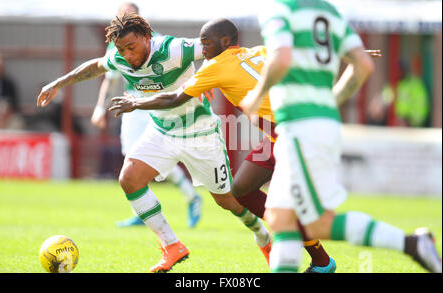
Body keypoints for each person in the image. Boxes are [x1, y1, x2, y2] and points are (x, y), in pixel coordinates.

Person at [37, 12, 271, 273]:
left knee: (228, 200)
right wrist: (58, 83)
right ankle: (172, 246)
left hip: (200, 133)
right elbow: (96, 66)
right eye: (121, 50)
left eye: (131, 47)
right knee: (130, 178)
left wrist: (206, 74)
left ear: (147, 38)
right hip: (162, 131)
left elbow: (213, 46)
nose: (126, 55)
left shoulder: (174, 49)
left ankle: (263, 237)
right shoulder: (119, 57)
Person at [109, 18, 342, 273]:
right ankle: (300, 246)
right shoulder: (256, 51)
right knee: (241, 190)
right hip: (282, 136)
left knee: (283, 207)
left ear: (225, 42)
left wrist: (136, 104)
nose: (203, 49)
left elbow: (175, 97)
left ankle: (319, 260)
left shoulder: (216, 66)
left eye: (207, 44)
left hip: (295, 138)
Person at [239, 0, 441, 273]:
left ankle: (412, 244)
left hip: (300, 126)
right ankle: (409, 244)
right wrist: (330, 101)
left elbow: (281, 57)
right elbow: (364, 65)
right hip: (318, 124)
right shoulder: (329, 12)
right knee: (280, 217)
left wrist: (257, 95)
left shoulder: (280, 8)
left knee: (317, 223)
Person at [91, 2, 202, 228]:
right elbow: (110, 79)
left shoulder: (155, 40)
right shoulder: (116, 46)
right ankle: (148, 209)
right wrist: (99, 108)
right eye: (119, 16)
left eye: (127, 16)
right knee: (134, 157)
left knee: (149, 157)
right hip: (130, 104)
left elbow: (185, 62)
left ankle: (189, 197)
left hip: (155, 102)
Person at [394, 58, 429, 127]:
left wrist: (410, 120)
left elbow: (421, 105)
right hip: (399, 122)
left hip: (411, 124)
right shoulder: (396, 83)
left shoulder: (415, 84)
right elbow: (386, 96)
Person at [0, 52, 23, 129]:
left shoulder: (9, 84)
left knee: (17, 124)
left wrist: (6, 112)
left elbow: (15, 103)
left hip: (8, 117)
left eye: (0, 67)